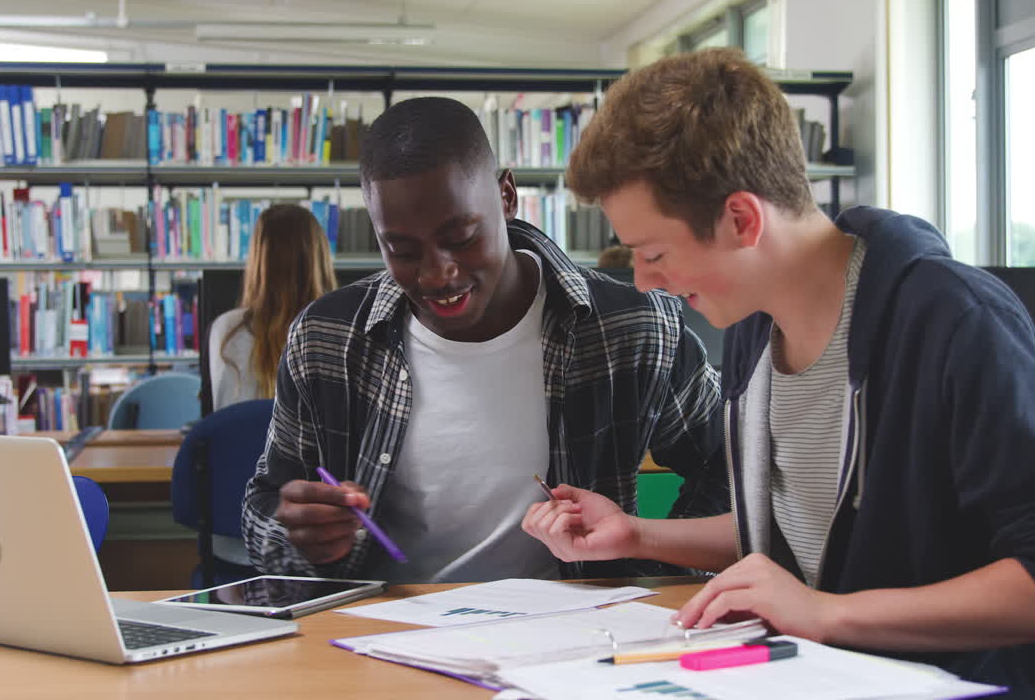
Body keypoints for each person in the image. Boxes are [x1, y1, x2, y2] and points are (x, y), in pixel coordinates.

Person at [521, 48, 1035, 697]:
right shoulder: (756, 326)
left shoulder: (952, 320)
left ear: (741, 219)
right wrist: (637, 533)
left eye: (654, 253)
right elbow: (804, 526)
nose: (643, 281)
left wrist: (828, 614)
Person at [241, 97, 729, 584]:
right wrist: (294, 537)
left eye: (462, 237)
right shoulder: (326, 338)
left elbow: (734, 467)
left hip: (574, 635)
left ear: (506, 196)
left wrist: (653, 562)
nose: (439, 273)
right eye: (402, 250)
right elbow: (264, 504)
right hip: (379, 634)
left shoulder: (636, 328)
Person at [207, 203, 337, 410]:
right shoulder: (341, 331)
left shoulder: (227, 329)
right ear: (319, 261)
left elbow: (221, 416)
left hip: (241, 443)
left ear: (258, 261)